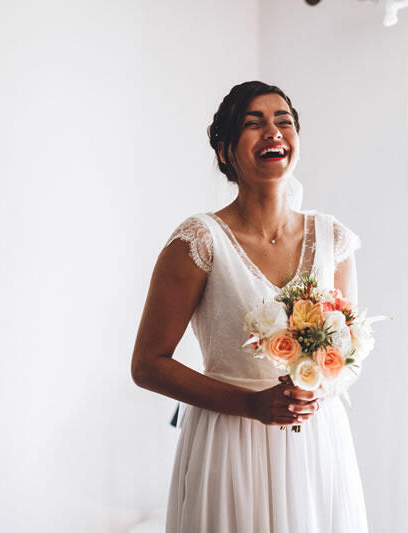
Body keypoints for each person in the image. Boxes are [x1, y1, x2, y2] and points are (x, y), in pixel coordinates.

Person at [131, 80, 369, 532]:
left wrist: (319, 387)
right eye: (253, 124)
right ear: (225, 151)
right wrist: (250, 405)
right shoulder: (199, 241)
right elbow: (147, 365)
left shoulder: (332, 238)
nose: (273, 132)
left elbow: (349, 356)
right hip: (230, 442)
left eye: (284, 122)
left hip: (315, 442)